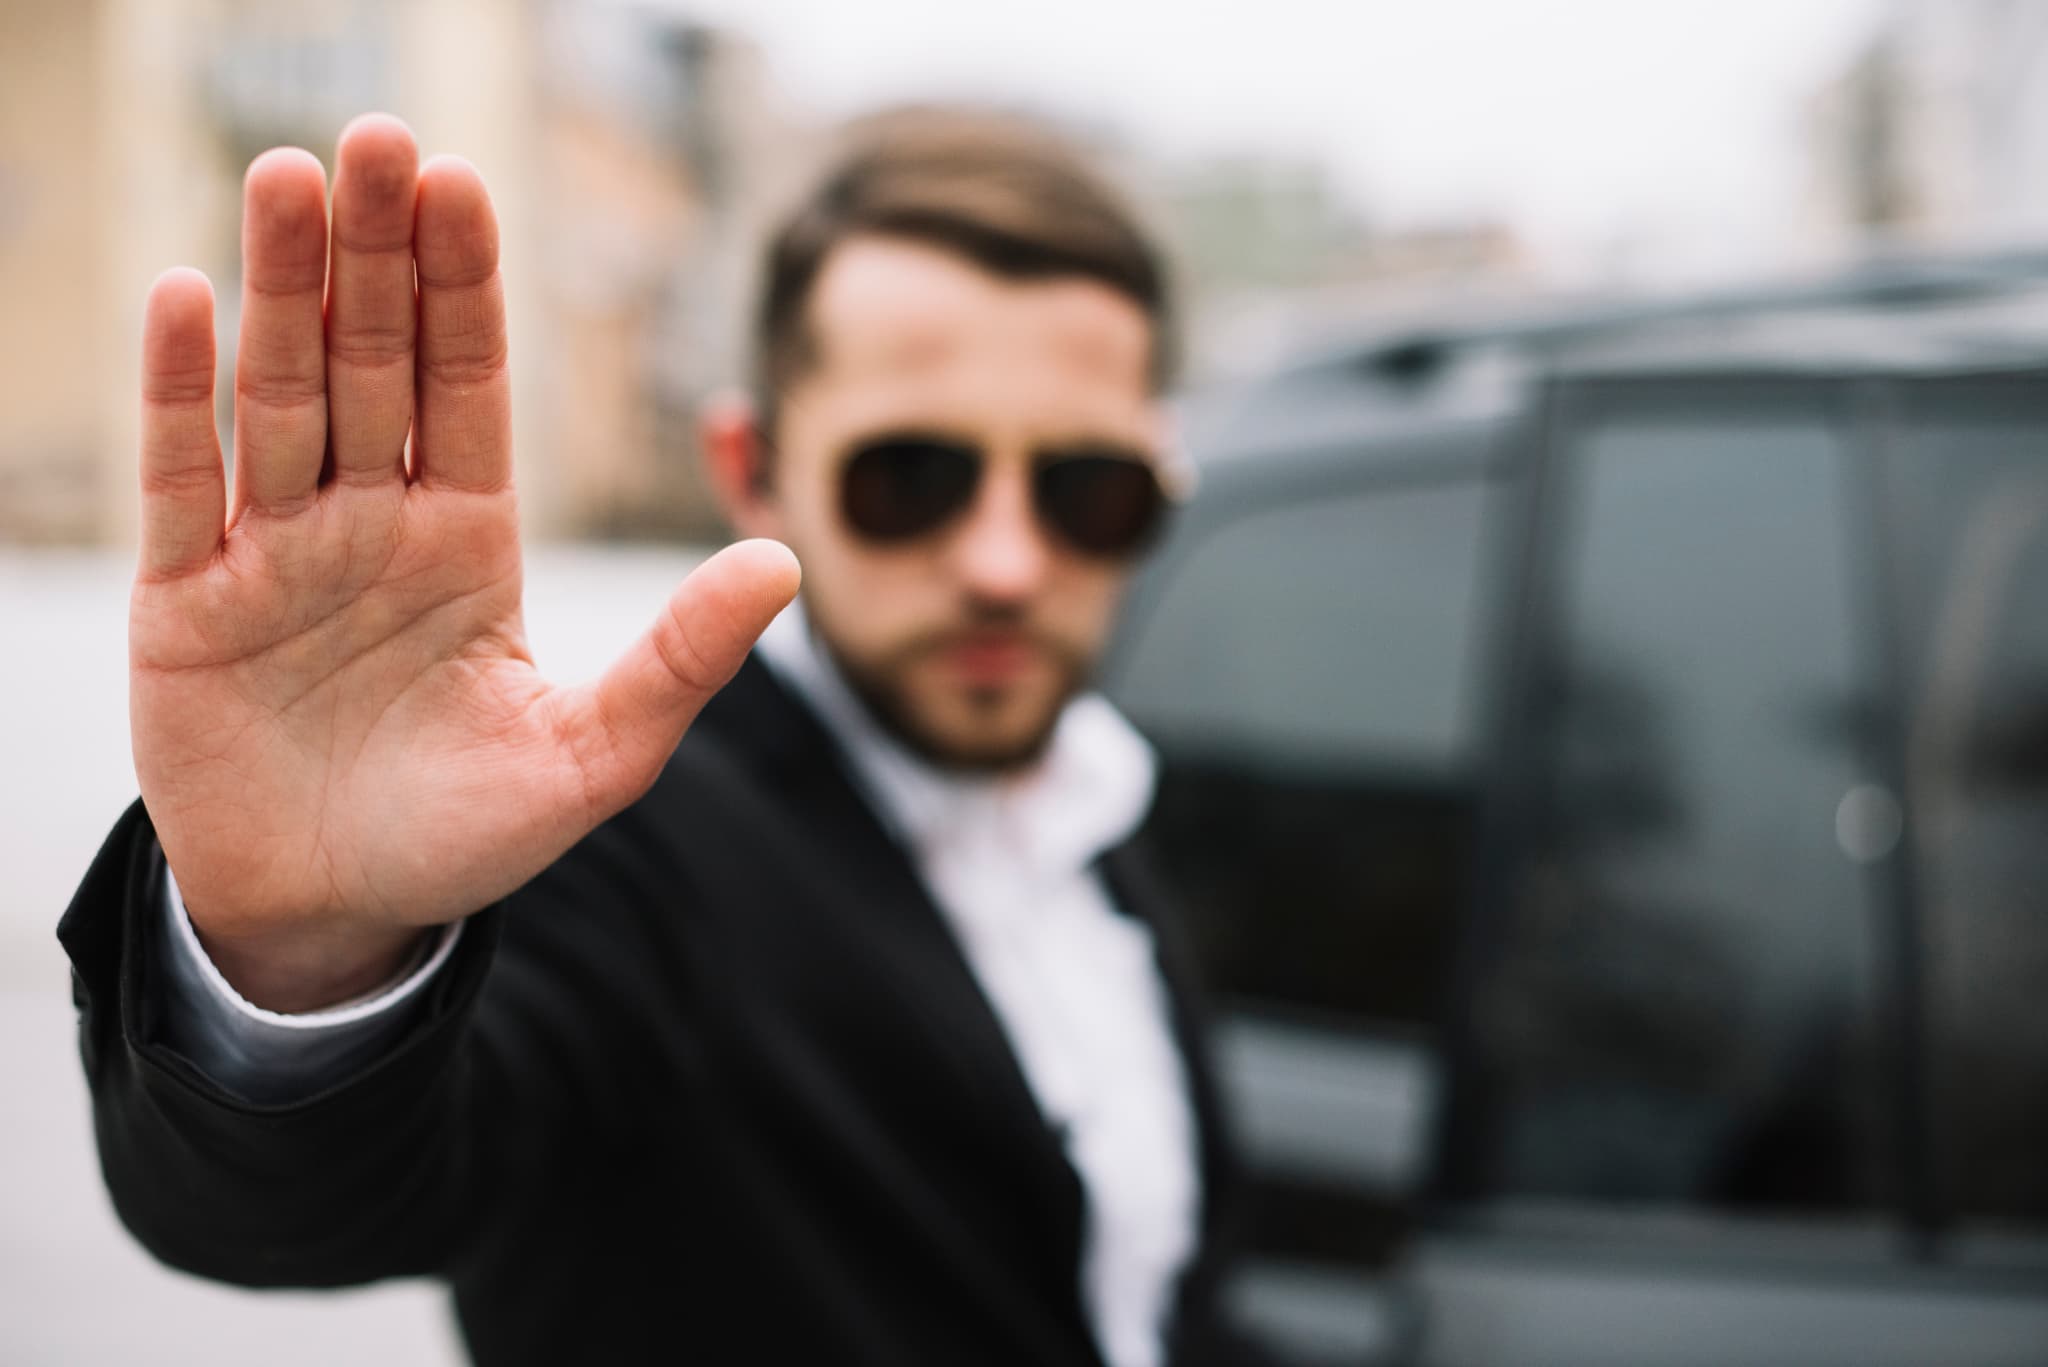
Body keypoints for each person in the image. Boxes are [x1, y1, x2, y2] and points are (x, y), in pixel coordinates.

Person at [60, 108, 1262, 1366]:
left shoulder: (1096, 810)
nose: (1008, 563)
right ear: (752, 467)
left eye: (1086, 490)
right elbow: (300, 1206)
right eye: (910, 477)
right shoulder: (613, 842)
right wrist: (305, 957)